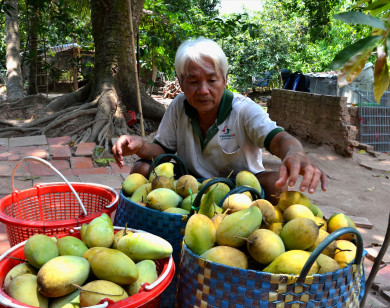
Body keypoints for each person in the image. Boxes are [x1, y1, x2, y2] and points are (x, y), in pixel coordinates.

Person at [112, 37, 327, 204]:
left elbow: (279, 139)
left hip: (241, 189)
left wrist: (294, 153)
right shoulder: (179, 106)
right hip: (190, 184)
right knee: (141, 168)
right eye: (193, 81)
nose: (203, 90)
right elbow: (162, 150)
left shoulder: (243, 109)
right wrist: (140, 145)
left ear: (225, 80)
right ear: (180, 83)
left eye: (212, 80)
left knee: (275, 185)